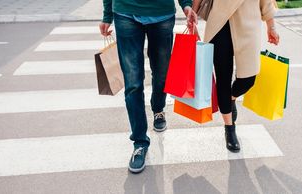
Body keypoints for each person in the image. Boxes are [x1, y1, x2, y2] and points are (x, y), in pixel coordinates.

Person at [99, 0, 197, 173]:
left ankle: (158, 108)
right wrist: (107, 15)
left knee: (162, 74)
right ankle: (139, 142)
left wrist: (187, 5)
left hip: (162, 15)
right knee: (133, 83)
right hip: (125, 13)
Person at [192, 0, 280, 152]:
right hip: (219, 23)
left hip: (249, 24)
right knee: (223, 79)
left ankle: (230, 98)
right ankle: (229, 128)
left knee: (248, 79)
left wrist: (271, 26)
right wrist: (192, 13)